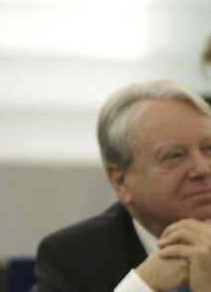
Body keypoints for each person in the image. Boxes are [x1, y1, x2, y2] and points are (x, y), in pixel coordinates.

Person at [32, 79, 211, 292]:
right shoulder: (74, 256)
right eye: (174, 156)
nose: (203, 169)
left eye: (209, 148)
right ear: (120, 180)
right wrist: (142, 286)